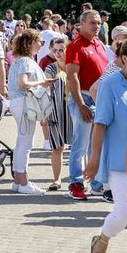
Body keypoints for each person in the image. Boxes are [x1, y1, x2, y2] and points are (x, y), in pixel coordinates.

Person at [84, 37, 127, 253]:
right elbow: (100, 125)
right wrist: (94, 160)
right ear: (124, 58)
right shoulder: (110, 85)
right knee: (125, 212)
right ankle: (103, 238)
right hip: (120, 160)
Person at [66, 10, 109, 201]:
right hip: (83, 98)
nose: (97, 26)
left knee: (96, 143)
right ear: (81, 24)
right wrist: (81, 103)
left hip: (99, 99)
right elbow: (72, 76)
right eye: (92, 23)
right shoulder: (76, 46)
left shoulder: (99, 44)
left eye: (99, 23)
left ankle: (96, 183)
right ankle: (76, 182)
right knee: (80, 143)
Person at [6, 29, 53, 194]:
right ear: (31, 42)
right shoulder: (26, 61)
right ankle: (23, 182)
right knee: (25, 144)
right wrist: (43, 82)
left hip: (20, 103)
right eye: (40, 41)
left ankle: (19, 181)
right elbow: (23, 84)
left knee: (22, 143)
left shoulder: (20, 60)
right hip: (24, 102)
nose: (41, 45)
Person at [43, 36, 74, 190]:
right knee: (57, 147)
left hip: (75, 111)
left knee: (79, 147)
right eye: (55, 50)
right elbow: (45, 85)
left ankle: (80, 179)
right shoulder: (51, 68)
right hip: (56, 111)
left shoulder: (75, 66)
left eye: (61, 50)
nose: (58, 53)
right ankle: (57, 180)